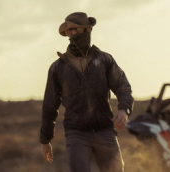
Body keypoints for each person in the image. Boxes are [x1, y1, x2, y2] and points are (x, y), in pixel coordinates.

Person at [39, 12, 134, 172]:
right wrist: (45, 140)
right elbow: (50, 106)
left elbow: (123, 87)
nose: (70, 35)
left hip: (105, 130)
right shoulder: (58, 67)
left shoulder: (104, 60)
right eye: (68, 33)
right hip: (76, 133)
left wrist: (125, 110)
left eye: (74, 31)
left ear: (87, 30)